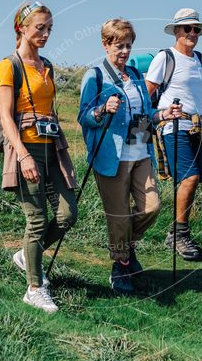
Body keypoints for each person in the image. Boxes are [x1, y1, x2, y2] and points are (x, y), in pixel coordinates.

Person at [78, 18, 181, 294]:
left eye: (128, 46)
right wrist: (101, 110)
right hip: (111, 155)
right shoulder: (95, 76)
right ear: (106, 44)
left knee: (151, 207)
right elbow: (84, 117)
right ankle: (121, 264)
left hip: (141, 148)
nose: (124, 51)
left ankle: (124, 248)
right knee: (119, 216)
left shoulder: (135, 75)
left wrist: (162, 115)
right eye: (119, 46)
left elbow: (145, 114)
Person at [0, 1, 77, 313]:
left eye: (49, 29)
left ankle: (26, 256)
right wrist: (23, 155)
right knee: (37, 218)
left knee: (68, 214)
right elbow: (5, 116)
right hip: (26, 148)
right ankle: (34, 288)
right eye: (39, 28)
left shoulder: (47, 66)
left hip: (51, 146)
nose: (45, 34)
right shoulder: (9, 66)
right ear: (21, 28)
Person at [144, 8, 202, 262]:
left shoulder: (199, 59)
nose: (193, 33)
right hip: (172, 126)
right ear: (176, 31)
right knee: (190, 178)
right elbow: (147, 91)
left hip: (195, 127)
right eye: (187, 29)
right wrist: (146, 120)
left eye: (196, 29)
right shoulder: (166, 58)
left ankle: (176, 232)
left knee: (191, 181)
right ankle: (179, 235)